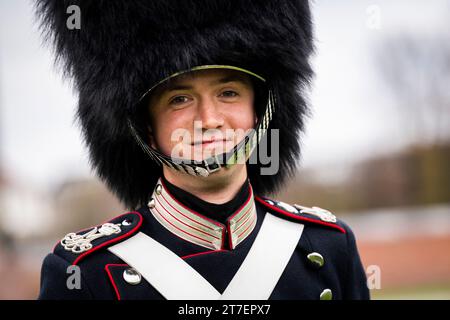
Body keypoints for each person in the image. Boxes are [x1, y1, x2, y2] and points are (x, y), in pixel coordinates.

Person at [36, 0, 370, 300]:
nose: (209, 120)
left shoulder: (328, 247)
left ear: (259, 111)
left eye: (228, 92)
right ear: (147, 129)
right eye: (179, 99)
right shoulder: (83, 272)